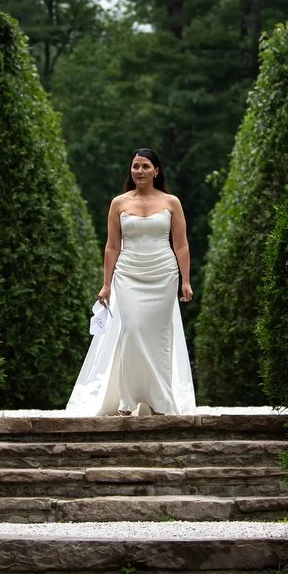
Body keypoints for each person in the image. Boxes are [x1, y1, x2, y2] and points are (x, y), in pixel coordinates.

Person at [63, 148, 196, 416]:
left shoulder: (172, 202)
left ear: (156, 170)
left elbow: (181, 244)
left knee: (158, 336)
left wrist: (186, 280)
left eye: (145, 166)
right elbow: (112, 246)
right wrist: (106, 284)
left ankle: (159, 398)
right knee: (131, 330)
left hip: (162, 274)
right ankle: (129, 398)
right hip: (128, 273)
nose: (139, 171)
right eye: (135, 166)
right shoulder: (119, 203)